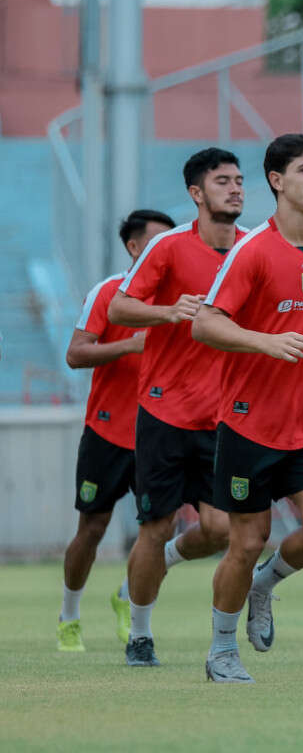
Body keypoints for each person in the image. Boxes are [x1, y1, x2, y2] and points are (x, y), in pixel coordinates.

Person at [193, 133, 303, 683]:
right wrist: (266, 341)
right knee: (244, 542)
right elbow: (206, 322)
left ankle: (266, 585)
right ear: (276, 181)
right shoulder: (252, 251)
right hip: (248, 422)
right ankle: (221, 651)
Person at [109, 149, 247, 667]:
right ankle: (140, 633)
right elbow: (121, 306)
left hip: (225, 415)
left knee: (218, 530)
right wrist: (169, 311)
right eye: (222, 181)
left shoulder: (254, 248)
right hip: (165, 411)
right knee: (156, 525)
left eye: (239, 180)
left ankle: (156, 566)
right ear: (197, 193)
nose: (235, 189)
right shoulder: (167, 246)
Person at [57, 209, 174, 652]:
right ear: (133, 247)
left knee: (161, 530)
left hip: (162, 434)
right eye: (158, 242)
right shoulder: (107, 293)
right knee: (93, 527)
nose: (167, 249)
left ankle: (129, 599)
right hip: (107, 432)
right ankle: (69, 615)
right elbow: (75, 355)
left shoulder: (181, 301)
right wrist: (129, 344)